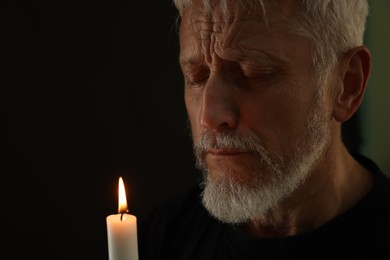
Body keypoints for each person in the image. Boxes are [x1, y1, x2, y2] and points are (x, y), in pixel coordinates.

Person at [138, 0, 390, 259]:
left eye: (253, 72)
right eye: (196, 77)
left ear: (346, 85)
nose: (209, 116)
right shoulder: (162, 240)